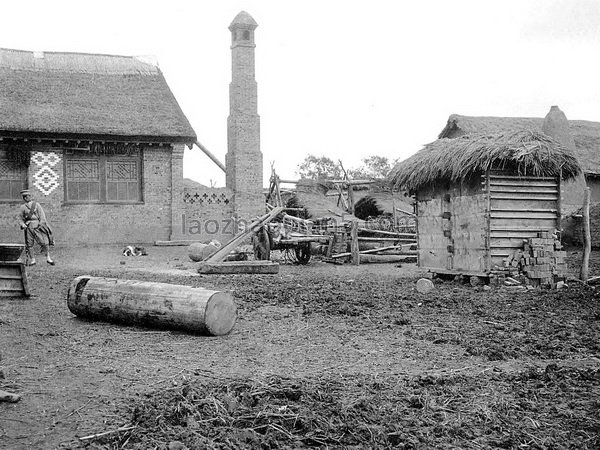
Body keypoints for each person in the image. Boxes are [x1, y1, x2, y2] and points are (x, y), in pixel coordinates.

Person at [18, 190, 55, 266]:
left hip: (38, 226)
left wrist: (41, 224)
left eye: (28, 196)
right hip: (28, 227)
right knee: (29, 244)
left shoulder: (36, 205)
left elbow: (42, 215)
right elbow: (20, 218)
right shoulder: (22, 207)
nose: (26, 198)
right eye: (24, 197)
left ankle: (48, 258)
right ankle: (33, 260)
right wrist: (23, 224)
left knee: (44, 242)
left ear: (30, 196)